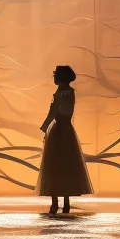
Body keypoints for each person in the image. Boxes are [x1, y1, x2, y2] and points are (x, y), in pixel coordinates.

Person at [37, 65, 93, 213]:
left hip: (59, 130)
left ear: (60, 78)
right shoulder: (69, 93)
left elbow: (53, 112)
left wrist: (44, 127)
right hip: (67, 130)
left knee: (56, 165)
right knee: (66, 165)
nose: (54, 78)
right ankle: (64, 202)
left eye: (55, 76)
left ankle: (56, 203)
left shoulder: (60, 94)